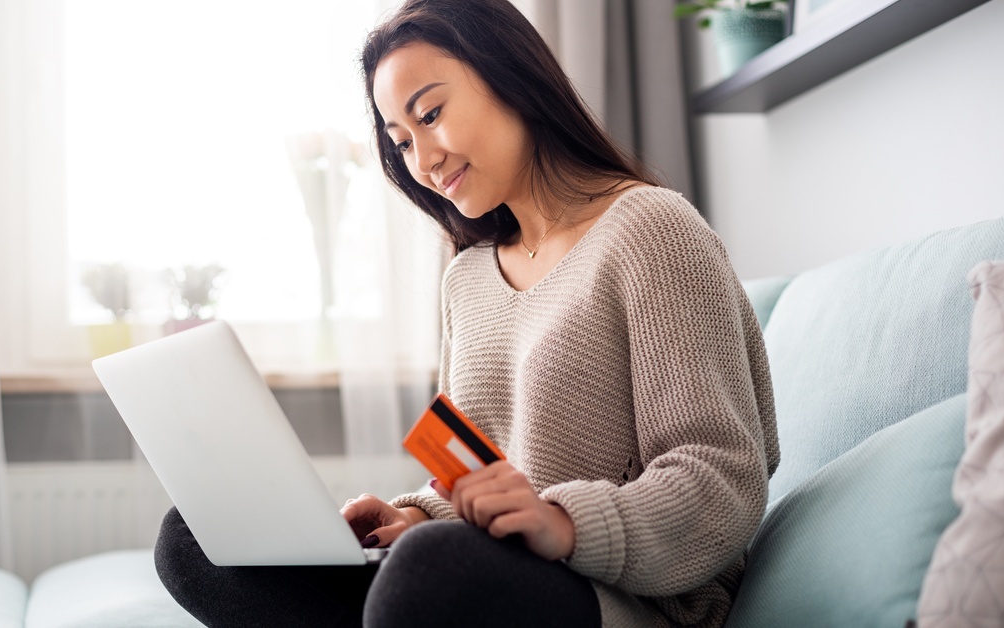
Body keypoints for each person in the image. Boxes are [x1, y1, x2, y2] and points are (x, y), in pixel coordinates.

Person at [154, 0, 779, 626]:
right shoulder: (467, 280)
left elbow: (721, 479)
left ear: (511, 76)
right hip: (482, 574)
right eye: (400, 142)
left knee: (434, 569)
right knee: (197, 539)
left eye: (430, 115)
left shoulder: (651, 232)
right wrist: (417, 515)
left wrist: (561, 523)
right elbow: (465, 476)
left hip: (624, 599)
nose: (422, 160)